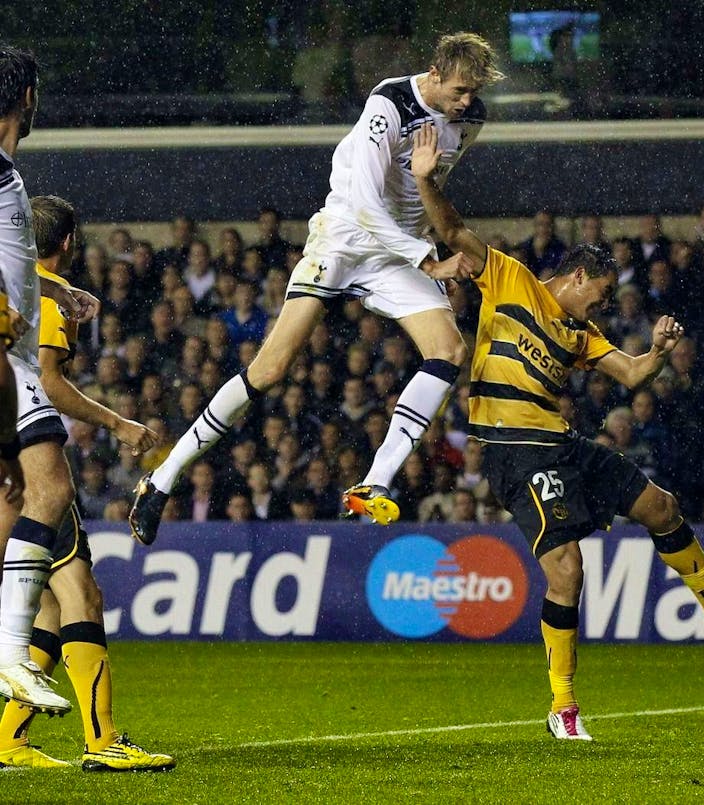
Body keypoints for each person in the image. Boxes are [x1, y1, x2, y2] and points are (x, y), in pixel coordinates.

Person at [410, 124, 704, 741]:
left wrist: (661, 352)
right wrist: (426, 178)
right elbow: (451, 231)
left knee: (661, 508)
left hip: (560, 444)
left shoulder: (581, 335)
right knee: (566, 569)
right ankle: (562, 706)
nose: (604, 308)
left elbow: (634, 373)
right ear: (579, 277)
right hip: (512, 447)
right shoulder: (509, 279)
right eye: (603, 295)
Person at [130, 32, 505, 542]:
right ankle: (163, 479)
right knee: (271, 367)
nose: (467, 101)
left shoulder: (471, 118)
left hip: (396, 252)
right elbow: (368, 204)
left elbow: (424, 192)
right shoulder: (389, 102)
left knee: (448, 350)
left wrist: (426, 223)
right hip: (345, 239)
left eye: (473, 92)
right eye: (459, 90)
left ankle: (374, 482)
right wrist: (427, 259)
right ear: (435, 74)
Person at [0, 194, 173, 770]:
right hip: (29, 453)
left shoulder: (22, 281)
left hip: (13, 452)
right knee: (81, 596)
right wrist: (117, 422)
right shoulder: (39, 297)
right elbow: (46, 382)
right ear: (69, 242)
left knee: (50, 609)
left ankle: (10, 739)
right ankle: (103, 742)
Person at [0, 45, 102, 713]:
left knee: (19, 493)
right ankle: (11, 654)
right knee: (49, 485)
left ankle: (10, 658)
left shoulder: (7, 176)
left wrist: (51, 290)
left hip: (9, 353)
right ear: (26, 98)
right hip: (7, 360)